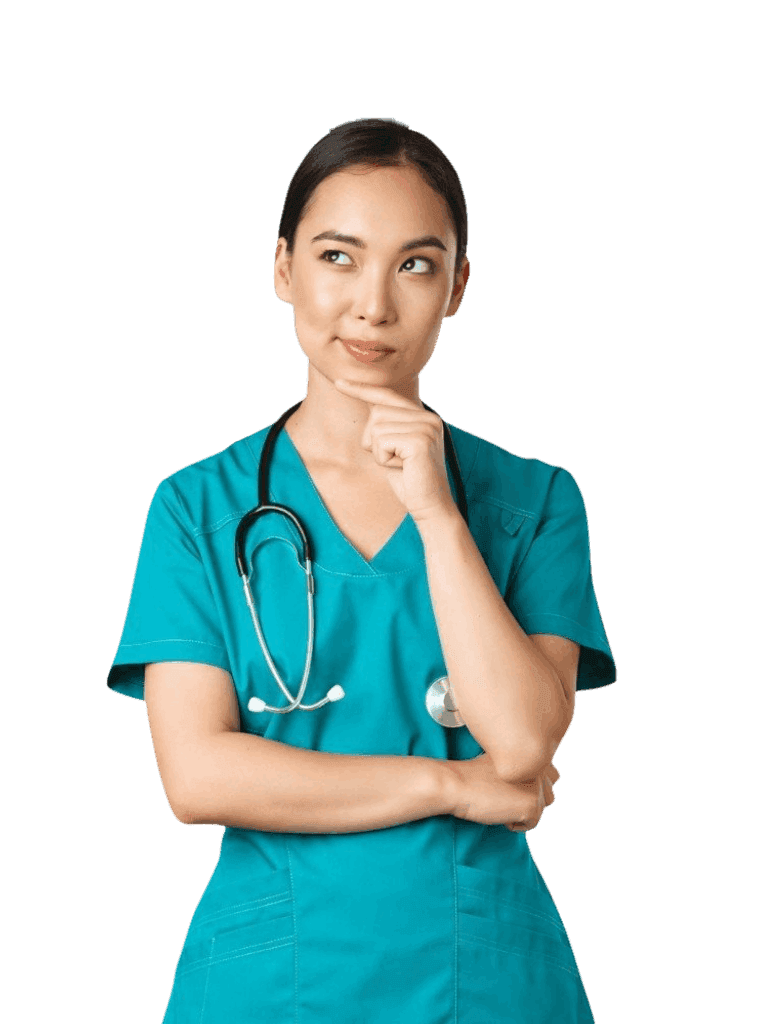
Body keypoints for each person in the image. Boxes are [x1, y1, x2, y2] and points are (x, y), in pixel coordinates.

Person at [107, 117, 617, 1023]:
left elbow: (527, 742)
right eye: (338, 257)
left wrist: (437, 512)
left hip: (487, 981)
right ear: (283, 270)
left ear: (458, 287)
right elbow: (197, 777)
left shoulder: (534, 501)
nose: (372, 305)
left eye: (415, 265)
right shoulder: (196, 507)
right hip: (272, 985)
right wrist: (451, 783)